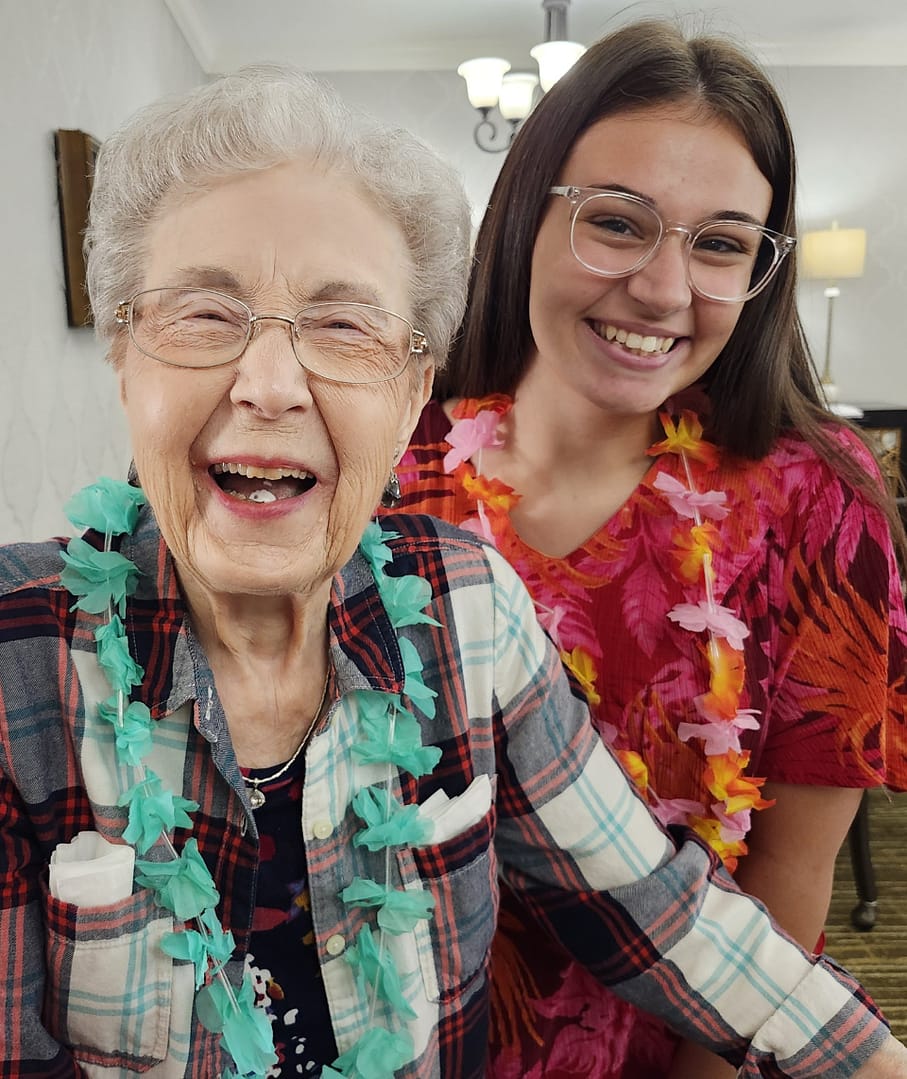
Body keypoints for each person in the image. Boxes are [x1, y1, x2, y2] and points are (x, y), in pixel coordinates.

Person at [1, 65, 905, 1079]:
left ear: (410, 385)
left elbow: (665, 910)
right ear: (123, 354)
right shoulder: (19, 666)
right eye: (204, 316)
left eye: (344, 327)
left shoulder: (461, 600)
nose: (266, 386)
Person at [395, 17, 907, 1079]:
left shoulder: (817, 497)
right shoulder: (390, 465)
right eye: (617, 223)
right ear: (522, 216)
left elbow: (788, 878)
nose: (665, 289)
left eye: (720, 242)